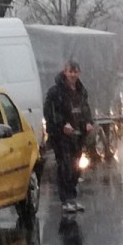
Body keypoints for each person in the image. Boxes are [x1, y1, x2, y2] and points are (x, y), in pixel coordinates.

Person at [44, 59, 94, 213]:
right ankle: (65, 200)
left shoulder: (81, 90)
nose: (73, 75)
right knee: (65, 166)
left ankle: (72, 197)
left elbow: (85, 109)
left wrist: (88, 122)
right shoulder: (56, 92)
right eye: (70, 72)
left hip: (78, 135)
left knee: (77, 166)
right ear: (65, 72)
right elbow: (49, 112)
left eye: (75, 72)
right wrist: (62, 125)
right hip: (61, 137)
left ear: (79, 73)